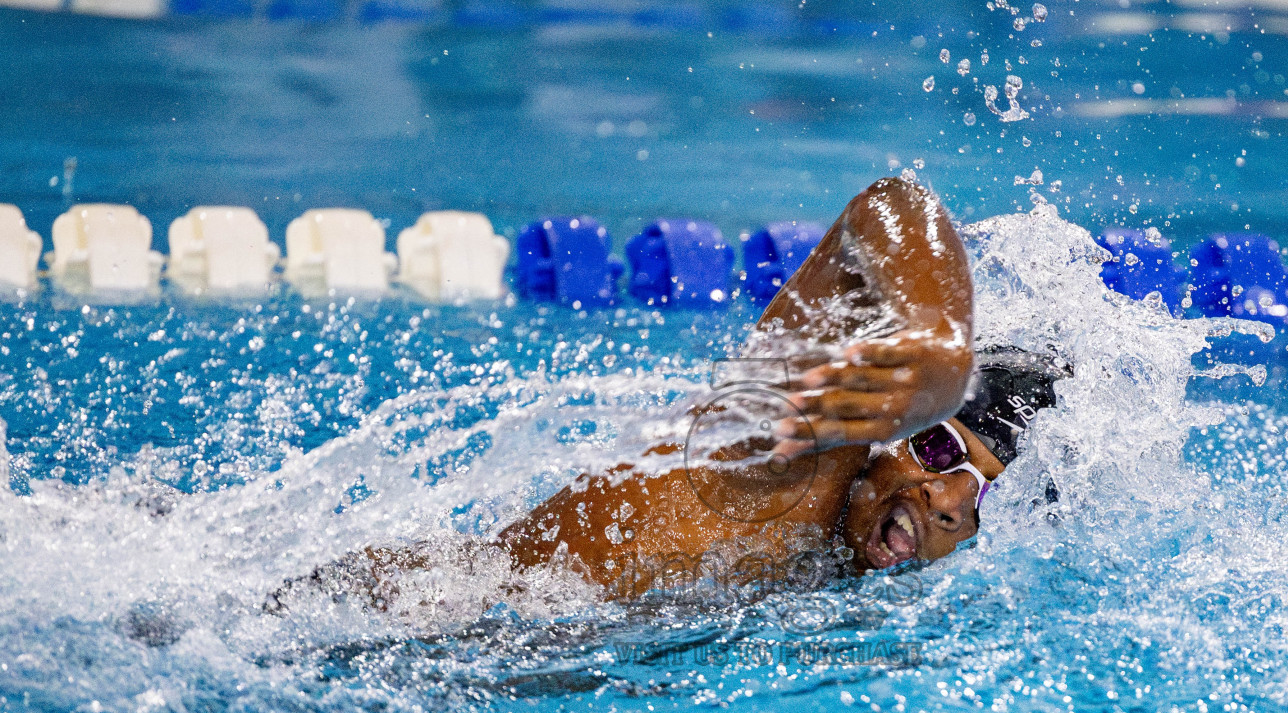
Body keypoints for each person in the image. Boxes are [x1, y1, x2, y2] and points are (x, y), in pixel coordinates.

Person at [269, 177, 1061, 615]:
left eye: (980, 496)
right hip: (388, 623)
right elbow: (893, 205)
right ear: (891, 423)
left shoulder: (852, 579)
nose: (949, 501)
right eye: (937, 447)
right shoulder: (799, 442)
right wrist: (934, 350)